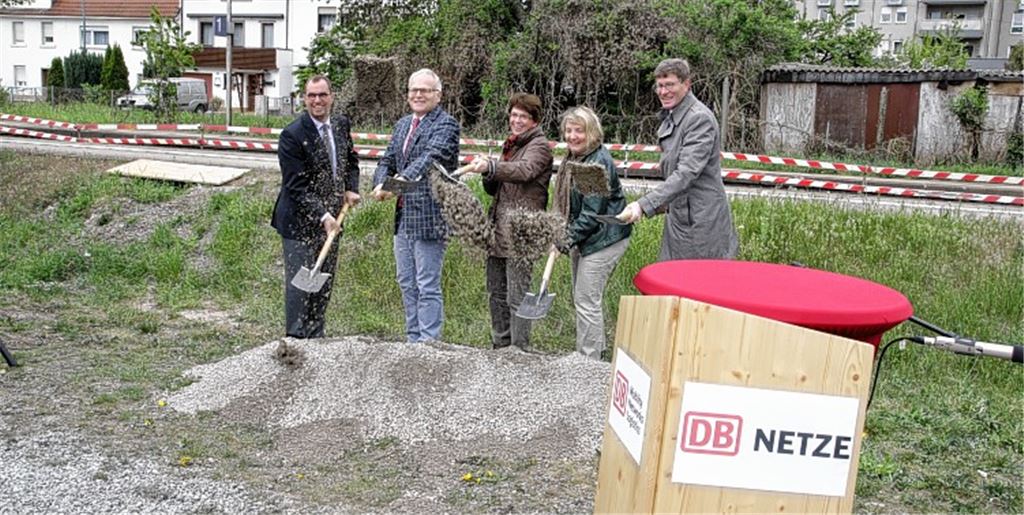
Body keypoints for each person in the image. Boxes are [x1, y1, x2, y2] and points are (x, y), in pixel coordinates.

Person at [616, 58, 738, 261]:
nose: (663, 92)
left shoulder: (699, 119)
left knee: (698, 286)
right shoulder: (672, 116)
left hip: (702, 223)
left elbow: (686, 173)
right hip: (679, 218)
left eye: (670, 85)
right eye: (660, 86)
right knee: (672, 283)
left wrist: (643, 205)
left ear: (686, 84)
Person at [371, 69, 461, 343]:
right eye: (414, 90)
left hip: (430, 217)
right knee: (407, 283)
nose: (418, 95)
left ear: (438, 95)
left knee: (427, 285)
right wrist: (380, 183)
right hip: (403, 218)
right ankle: (413, 341)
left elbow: (429, 159)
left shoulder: (446, 125)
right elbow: (387, 159)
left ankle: (429, 342)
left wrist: (396, 184)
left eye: (425, 90)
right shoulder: (401, 125)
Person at [271, 75, 360, 338]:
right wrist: (323, 215)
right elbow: (295, 186)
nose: (317, 101)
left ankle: (316, 335)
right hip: (299, 223)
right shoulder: (293, 135)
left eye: (322, 95)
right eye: (311, 95)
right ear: (304, 98)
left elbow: (350, 160)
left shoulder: (341, 125)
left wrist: (351, 187)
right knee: (301, 286)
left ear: (332, 96)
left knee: (322, 281)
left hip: (332, 221)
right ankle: (296, 340)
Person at [465, 93, 553, 350]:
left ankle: (519, 350)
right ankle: (500, 346)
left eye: (523, 116)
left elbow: (525, 171)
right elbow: (496, 189)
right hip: (498, 230)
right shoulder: (511, 145)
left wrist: (492, 167)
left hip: (521, 232)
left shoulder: (539, 146)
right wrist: (488, 174)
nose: (516, 120)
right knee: (497, 295)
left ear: (534, 120)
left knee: (517, 296)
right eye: (513, 115)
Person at [554, 106, 631, 360]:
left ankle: (588, 362)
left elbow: (591, 215)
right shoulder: (575, 158)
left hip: (605, 238)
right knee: (582, 297)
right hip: (589, 236)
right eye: (569, 130)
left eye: (579, 131)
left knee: (586, 299)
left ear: (592, 133)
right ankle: (593, 351)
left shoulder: (595, 163)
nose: (573, 136)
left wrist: (564, 240)